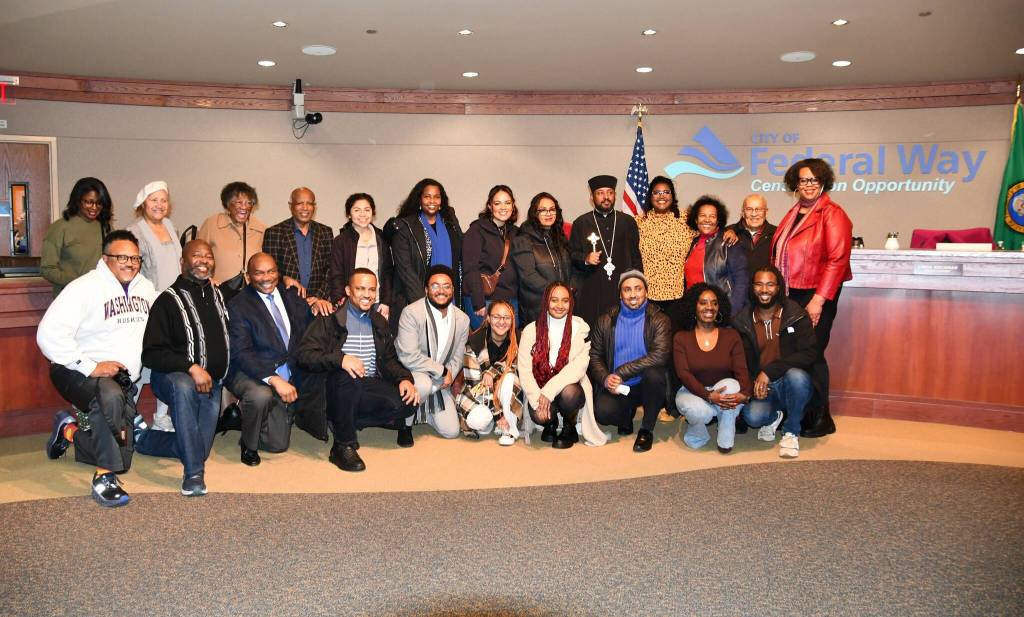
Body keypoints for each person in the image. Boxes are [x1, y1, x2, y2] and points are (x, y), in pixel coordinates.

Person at [39, 230, 157, 507]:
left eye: (135, 258)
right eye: (122, 257)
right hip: (74, 372)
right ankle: (104, 478)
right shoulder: (83, 288)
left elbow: (165, 312)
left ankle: (68, 431)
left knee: (124, 451)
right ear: (105, 259)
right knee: (109, 396)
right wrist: (89, 366)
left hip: (120, 379)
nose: (130, 263)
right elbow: (47, 335)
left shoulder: (145, 289)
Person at [296, 268, 419, 471]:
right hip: (334, 385)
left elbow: (389, 359)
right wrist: (341, 359)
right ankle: (343, 445)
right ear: (348, 290)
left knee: (408, 403)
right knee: (346, 378)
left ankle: (343, 419)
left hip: (367, 383)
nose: (367, 295)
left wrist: (405, 379)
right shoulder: (330, 318)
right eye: (360, 288)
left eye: (372, 289)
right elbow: (304, 355)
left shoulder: (378, 322)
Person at [136, 240, 229, 494]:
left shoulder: (218, 295)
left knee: (200, 449)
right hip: (173, 380)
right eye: (196, 256)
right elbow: (151, 354)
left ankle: (145, 440)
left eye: (208, 256)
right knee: (184, 386)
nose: (203, 260)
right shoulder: (167, 300)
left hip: (213, 383)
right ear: (183, 262)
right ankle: (193, 475)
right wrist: (191, 367)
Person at [771, 158, 853, 438]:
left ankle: (821, 417)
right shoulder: (796, 212)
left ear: (823, 183)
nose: (808, 185)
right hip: (793, 293)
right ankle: (802, 412)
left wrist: (818, 300)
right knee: (797, 353)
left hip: (816, 293)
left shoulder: (832, 213)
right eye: (803, 180)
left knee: (812, 354)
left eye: (814, 180)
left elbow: (837, 260)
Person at [225, 253, 332, 465]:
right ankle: (249, 441)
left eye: (271, 271)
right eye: (259, 273)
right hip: (252, 372)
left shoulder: (291, 296)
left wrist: (316, 305)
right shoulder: (238, 305)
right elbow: (242, 353)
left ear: (279, 272)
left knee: (327, 372)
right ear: (248, 276)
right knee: (272, 431)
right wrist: (273, 379)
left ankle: (274, 412)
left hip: (290, 369)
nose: (267, 277)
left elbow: (306, 327)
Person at [732, 266, 816, 459]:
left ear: (778, 288)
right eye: (759, 284)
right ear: (752, 288)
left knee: (796, 376)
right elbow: (738, 360)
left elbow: (810, 353)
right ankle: (774, 416)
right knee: (753, 418)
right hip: (763, 386)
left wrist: (769, 371)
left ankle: (791, 432)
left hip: (792, 382)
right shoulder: (742, 321)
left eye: (770, 284)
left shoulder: (796, 315)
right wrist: (753, 382)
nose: (764, 290)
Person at [518, 282, 608, 449]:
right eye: (554, 300)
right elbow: (524, 371)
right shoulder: (531, 330)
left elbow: (578, 368)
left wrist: (549, 391)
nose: (559, 305)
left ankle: (569, 425)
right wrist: (538, 397)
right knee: (540, 416)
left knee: (570, 394)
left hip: (568, 385)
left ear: (571, 303)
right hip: (539, 388)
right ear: (546, 301)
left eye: (565, 300)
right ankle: (550, 424)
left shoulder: (581, 330)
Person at [589, 270, 672, 452]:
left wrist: (621, 371)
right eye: (627, 290)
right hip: (620, 387)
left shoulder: (659, 320)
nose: (633, 294)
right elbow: (595, 356)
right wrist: (605, 378)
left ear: (646, 292)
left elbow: (660, 355)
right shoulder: (605, 321)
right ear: (620, 294)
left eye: (638, 289)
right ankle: (626, 416)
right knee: (602, 412)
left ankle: (646, 429)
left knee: (655, 374)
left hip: (646, 385)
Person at [673, 283, 751, 454]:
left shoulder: (731, 335)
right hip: (691, 391)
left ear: (719, 307)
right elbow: (683, 374)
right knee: (701, 413)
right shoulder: (681, 338)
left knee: (732, 386)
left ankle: (725, 439)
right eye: (703, 302)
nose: (709, 307)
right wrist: (708, 396)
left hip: (722, 389)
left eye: (714, 303)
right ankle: (698, 433)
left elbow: (741, 369)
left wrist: (744, 395)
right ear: (694, 307)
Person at [395, 265, 470, 442]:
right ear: (426, 289)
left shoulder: (462, 319)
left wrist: (448, 374)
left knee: (451, 431)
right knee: (423, 385)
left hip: (439, 381)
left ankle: (423, 412)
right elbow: (408, 355)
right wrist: (441, 372)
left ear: (452, 289)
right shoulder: (411, 312)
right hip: (414, 374)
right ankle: (404, 423)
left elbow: (458, 357)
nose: (441, 291)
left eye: (446, 286)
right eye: (435, 286)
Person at [568, 175, 643, 327]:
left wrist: (638, 284)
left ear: (615, 195)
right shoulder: (581, 223)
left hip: (622, 290)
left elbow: (636, 257)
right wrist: (585, 258)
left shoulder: (628, 222)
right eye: (600, 193)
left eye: (610, 192)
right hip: (592, 290)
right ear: (592, 197)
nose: (606, 197)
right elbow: (571, 255)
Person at [389, 179, 464, 327]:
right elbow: (405, 270)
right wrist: (425, 306)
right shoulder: (405, 228)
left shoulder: (450, 224)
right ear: (419, 199)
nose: (432, 201)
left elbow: (459, 261)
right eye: (427, 196)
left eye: (436, 196)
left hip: (450, 301)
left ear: (442, 200)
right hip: (417, 302)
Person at [453, 300, 524, 445]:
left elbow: (516, 368)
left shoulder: (519, 339)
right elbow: (475, 386)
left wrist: (492, 372)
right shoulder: (474, 342)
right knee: (479, 421)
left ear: (512, 320)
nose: (501, 322)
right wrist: (498, 415)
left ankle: (509, 429)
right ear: (489, 318)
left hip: (508, 394)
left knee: (510, 377)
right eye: (497, 317)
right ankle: (496, 419)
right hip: (478, 393)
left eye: (506, 317)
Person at [636, 176, 697, 330]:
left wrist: (732, 231)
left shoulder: (686, 219)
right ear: (650, 197)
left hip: (678, 295)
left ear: (672, 195)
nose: (661, 196)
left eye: (666, 192)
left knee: (674, 340)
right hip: (647, 297)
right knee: (650, 342)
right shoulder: (639, 222)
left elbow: (710, 228)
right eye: (656, 193)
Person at [40, 177, 113, 296]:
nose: (94, 207)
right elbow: (47, 269)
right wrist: (79, 282)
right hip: (70, 297)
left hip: (101, 297)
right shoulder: (60, 228)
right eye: (89, 202)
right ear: (77, 200)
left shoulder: (106, 228)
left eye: (99, 203)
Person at [462, 185, 519, 330]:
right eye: (497, 203)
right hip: (484, 300)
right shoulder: (476, 231)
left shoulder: (516, 232)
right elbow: (470, 268)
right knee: (484, 349)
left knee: (509, 349)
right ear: (489, 206)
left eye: (507, 202)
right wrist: (478, 302)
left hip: (511, 301)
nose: (503, 207)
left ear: (513, 205)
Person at [511, 192, 572, 327]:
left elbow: (569, 269)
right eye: (543, 210)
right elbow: (528, 276)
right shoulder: (523, 239)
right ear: (534, 213)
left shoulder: (559, 238)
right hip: (536, 308)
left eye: (552, 209)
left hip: (560, 307)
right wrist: (556, 293)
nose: (548, 213)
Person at [262, 187, 334, 302]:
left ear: (314, 206)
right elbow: (268, 270)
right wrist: (283, 278)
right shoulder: (274, 233)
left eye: (309, 203)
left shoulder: (325, 232)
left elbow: (330, 269)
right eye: (300, 203)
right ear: (290, 205)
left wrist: (319, 297)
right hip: (287, 301)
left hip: (317, 303)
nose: (305, 208)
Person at [329, 193, 394, 318]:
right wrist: (340, 300)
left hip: (377, 303)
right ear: (349, 214)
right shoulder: (341, 240)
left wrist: (386, 302)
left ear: (373, 213)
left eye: (367, 210)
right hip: (350, 303)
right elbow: (336, 274)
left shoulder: (381, 238)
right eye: (357, 210)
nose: (362, 214)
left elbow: (388, 272)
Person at [683, 195, 749, 316]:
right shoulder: (693, 243)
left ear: (718, 220)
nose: (707, 220)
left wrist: (730, 311)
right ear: (696, 219)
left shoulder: (729, 242)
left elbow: (742, 282)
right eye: (703, 215)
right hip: (694, 312)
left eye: (712, 216)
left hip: (719, 312)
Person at [196, 181, 267, 288]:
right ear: (227, 204)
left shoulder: (261, 229)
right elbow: (197, 259)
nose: (244, 207)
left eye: (249, 203)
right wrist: (207, 279)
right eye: (239, 202)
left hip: (251, 294)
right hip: (217, 291)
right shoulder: (211, 225)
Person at [126, 181, 180, 292]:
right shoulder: (133, 232)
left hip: (176, 295)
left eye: (164, 201)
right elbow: (129, 271)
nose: (159, 205)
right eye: (154, 200)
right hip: (151, 298)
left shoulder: (170, 226)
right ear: (143, 203)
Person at [723, 194, 776, 274]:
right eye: (749, 209)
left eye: (759, 209)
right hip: (736, 286)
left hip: (764, 286)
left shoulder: (777, 234)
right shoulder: (727, 232)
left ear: (766, 212)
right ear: (743, 212)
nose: (754, 214)